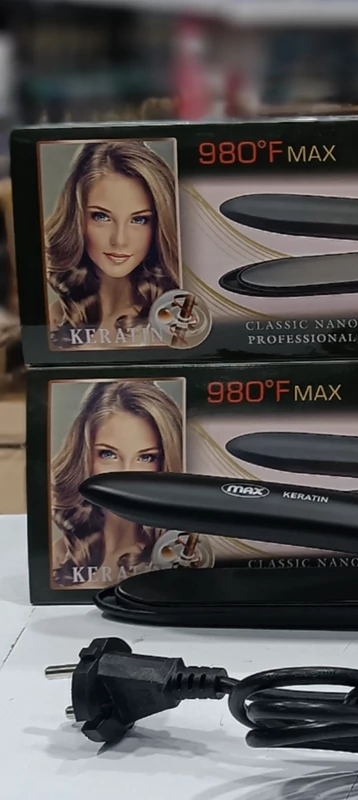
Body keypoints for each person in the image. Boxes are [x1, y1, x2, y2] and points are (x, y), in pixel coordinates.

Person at [50, 380, 183, 588]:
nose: (126, 475)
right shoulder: (56, 559)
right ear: (83, 457)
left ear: (166, 463)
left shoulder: (182, 556)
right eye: (108, 454)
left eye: (146, 457)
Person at [45, 140, 180, 344]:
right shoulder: (55, 319)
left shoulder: (177, 323)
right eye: (101, 217)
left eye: (139, 219)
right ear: (76, 219)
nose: (119, 240)